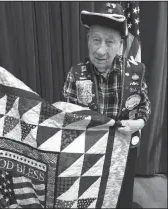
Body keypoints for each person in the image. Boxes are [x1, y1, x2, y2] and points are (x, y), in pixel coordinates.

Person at [63, 2, 151, 209]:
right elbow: (68, 114)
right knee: (90, 195)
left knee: (122, 195)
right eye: (96, 40)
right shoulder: (76, 74)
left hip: (125, 147)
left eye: (109, 42)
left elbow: (145, 105)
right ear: (88, 41)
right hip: (89, 149)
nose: (101, 50)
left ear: (121, 44)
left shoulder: (136, 72)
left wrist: (139, 123)